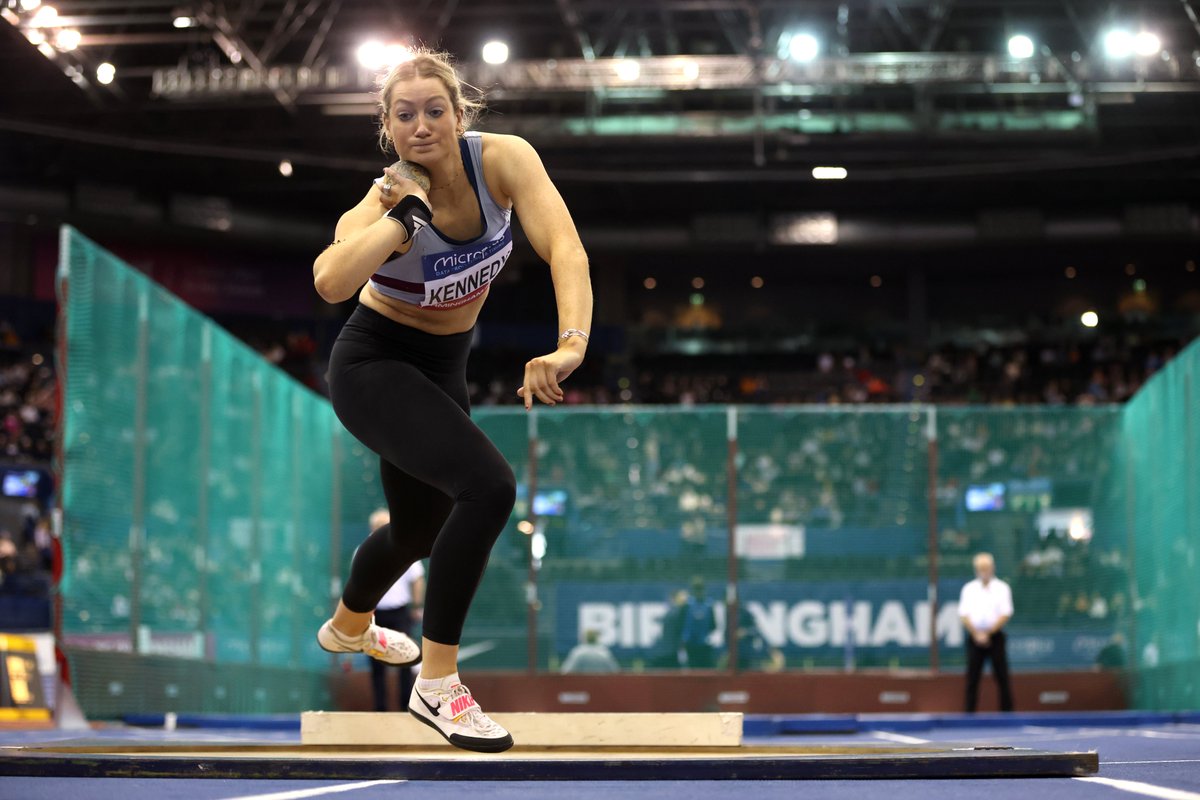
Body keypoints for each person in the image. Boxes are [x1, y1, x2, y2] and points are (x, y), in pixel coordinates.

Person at [312, 48, 592, 753]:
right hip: (373, 362)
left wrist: (570, 343)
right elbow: (330, 281)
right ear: (386, 127)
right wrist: (400, 219)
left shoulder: (502, 160)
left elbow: (564, 247)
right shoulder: (380, 202)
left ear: (459, 114)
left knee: (418, 533)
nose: (422, 125)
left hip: (444, 368)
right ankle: (439, 685)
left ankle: (349, 624)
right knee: (490, 487)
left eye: (435, 111)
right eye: (404, 115)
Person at [364, 508, 426, 712]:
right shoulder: (365, 550)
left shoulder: (406, 548)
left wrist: (417, 606)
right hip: (375, 614)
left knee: (405, 660)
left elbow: (417, 579)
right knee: (376, 662)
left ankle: (406, 707)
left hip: (399, 612)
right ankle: (380, 707)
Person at [959, 552, 1015, 712]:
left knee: (1002, 676)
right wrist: (976, 633)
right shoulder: (969, 589)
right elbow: (964, 614)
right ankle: (968, 715)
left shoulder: (1002, 589)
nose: (984, 572)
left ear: (992, 568)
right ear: (976, 570)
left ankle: (1007, 714)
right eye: (981, 569)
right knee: (972, 678)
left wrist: (988, 633)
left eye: (987, 568)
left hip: (995, 638)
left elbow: (1005, 613)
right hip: (974, 637)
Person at [680, 577, 718, 669]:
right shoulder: (687, 605)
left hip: (703, 645)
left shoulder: (708, 605)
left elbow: (713, 625)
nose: (699, 592)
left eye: (700, 589)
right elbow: (680, 624)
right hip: (691, 645)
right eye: (697, 589)